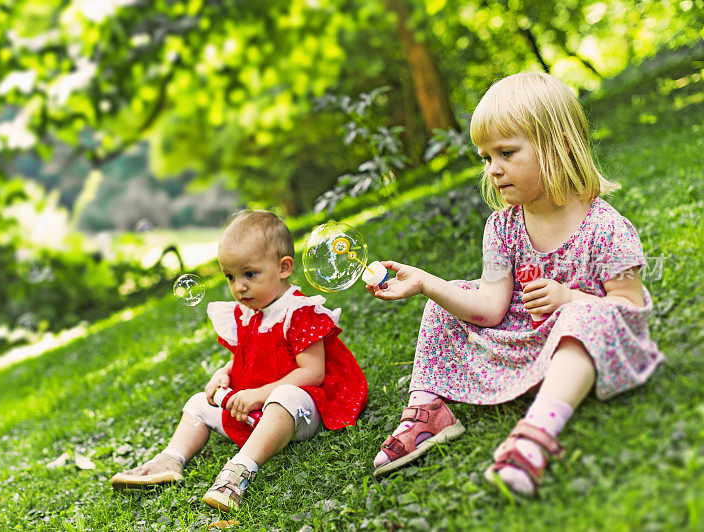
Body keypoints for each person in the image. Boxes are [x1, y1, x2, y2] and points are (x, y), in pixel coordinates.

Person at [367, 72, 664, 497]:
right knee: (445, 300)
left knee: (582, 316)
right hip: (522, 336)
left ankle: (536, 434)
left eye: (506, 153)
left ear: (558, 146)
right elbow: (490, 307)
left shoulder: (605, 227)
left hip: (580, 343)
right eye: (485, 158)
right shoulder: (502, 227)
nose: (494, 170)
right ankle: (430, 410)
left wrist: (569, 299)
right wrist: (426, 284)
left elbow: (629, 307)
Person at [110, 210, 368, 511]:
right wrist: (225, 372)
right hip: (254, 408)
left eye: (249, 274)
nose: (239, 287)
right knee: (198, 403)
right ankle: (170, 460)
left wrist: (260, 394)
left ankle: (240, 470)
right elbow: (248, 356)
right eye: (230, 277)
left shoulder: (298, 312)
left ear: (283, 268)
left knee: (285, 397)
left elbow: (312, 373)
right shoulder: (246, 313)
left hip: (303, 409)